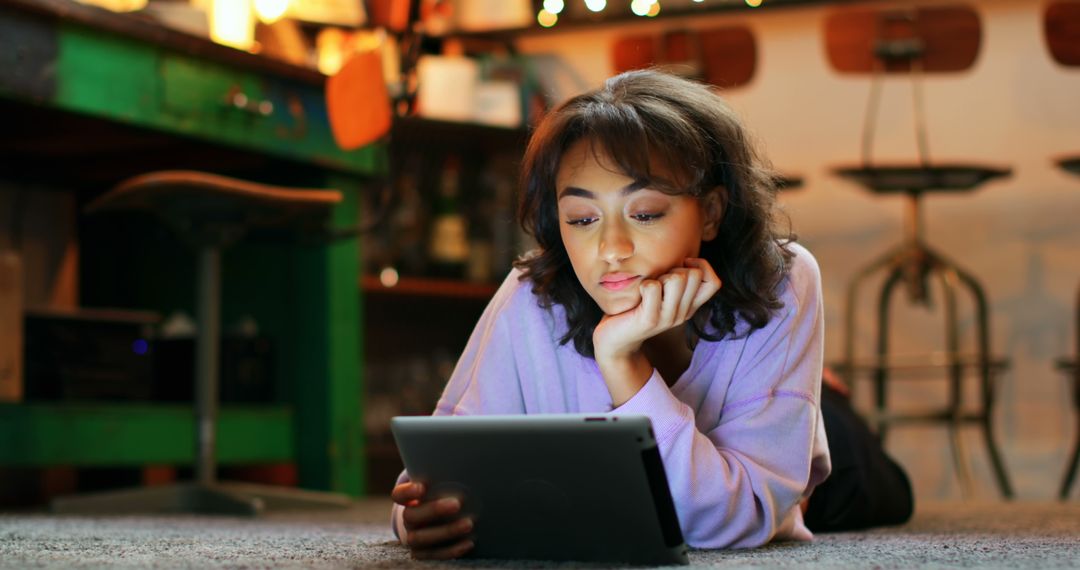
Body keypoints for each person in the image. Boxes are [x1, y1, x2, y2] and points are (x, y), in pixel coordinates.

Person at [390, 69, 910, 560]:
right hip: (715, 438)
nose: (611, 248)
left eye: (644, 214)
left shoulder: (781, 278)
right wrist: (419, 513)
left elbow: (736, 519)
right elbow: (436, 467)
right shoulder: (536, 288)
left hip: (805, 462)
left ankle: (825, 395)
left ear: (709, 212)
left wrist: (622, 361)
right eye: (582, 217)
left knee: (881, 487)